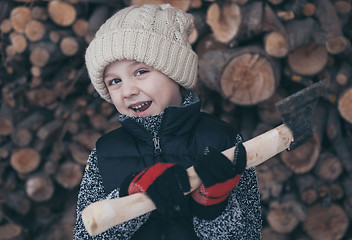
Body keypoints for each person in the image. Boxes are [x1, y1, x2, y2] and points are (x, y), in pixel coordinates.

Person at [73, 3, 262, 240]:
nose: (127, 90)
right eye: (114, 81)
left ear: (174, 72)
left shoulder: (223, 141)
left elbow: (250, 234)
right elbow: (84, 235)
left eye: (140, 71)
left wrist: (214, 209)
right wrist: (130, 195)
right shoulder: (105, 152)